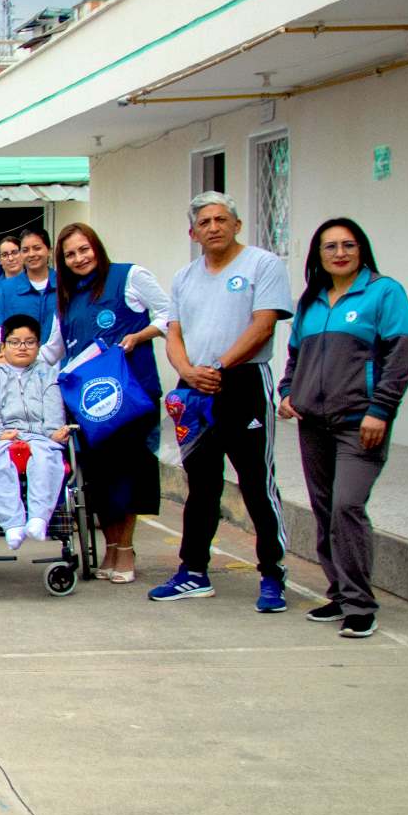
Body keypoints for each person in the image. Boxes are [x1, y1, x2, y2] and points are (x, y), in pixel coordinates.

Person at [150, 193, 295, 608]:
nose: (213, 227)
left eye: (221, 219)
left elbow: (263, 325)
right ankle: (193, 571)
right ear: (192, 232)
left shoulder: (263, 265)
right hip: (194, 388)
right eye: (204, 222)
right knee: (201, 485)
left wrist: (218, 367)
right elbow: (173, 333)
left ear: (237, 224)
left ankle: (272, 573)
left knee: (255, 484)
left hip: (243, 384)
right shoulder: (184, 277)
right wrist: (188, 371)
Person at [278, 218, 408, 638]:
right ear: (318, 255)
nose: (339, 253)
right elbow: (296, 355)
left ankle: (360, 604)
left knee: (346, 507)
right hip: (313, 424)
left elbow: (400, 359)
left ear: (361, 249)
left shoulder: (383, 292)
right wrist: (287, 391)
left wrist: (381, 410)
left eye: (348, 245)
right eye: (330, 246)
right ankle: (339, 593)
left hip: (362, 423)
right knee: (324, 510)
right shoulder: (312, 300)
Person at [48, 223, 171, 585]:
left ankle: (125, 549)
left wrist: (140, 335)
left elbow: (169, 314)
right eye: (70, 254)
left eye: (83, 250)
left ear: (96, 248)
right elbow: (55, 349)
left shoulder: (129, 277)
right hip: (91, 405)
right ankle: (110, 547)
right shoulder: (67, 296)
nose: (78, 259)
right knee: (100, 479)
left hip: (131, 397)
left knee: (128, 475)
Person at [0, 315, 74, 550]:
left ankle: (39, 518)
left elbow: (53, 408)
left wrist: (53, 433)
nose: (22, 347)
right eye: (15, 342)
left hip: (40, 435)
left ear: (38, 345)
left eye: (30, 342)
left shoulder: (49, 375)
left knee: (48, 457)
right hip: (3, 436)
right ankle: (12, 524)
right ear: (3, 346)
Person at [0, 229, 58, 342]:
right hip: (19, 356)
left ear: (49, 251)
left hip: (60, 358)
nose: (31, 254)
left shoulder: (64, 284)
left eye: (37, 248)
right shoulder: (8, 288)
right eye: (25, 250)